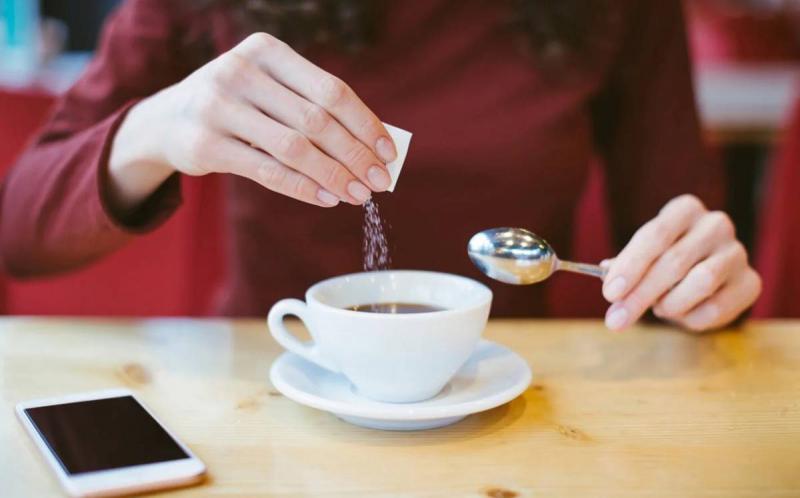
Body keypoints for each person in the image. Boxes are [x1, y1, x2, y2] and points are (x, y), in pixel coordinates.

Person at [0, 0, 761, 331]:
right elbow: (19, 231)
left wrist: (696, 278)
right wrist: (159, 126)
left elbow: (671, 239)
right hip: (269, 386)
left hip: (512, 397)